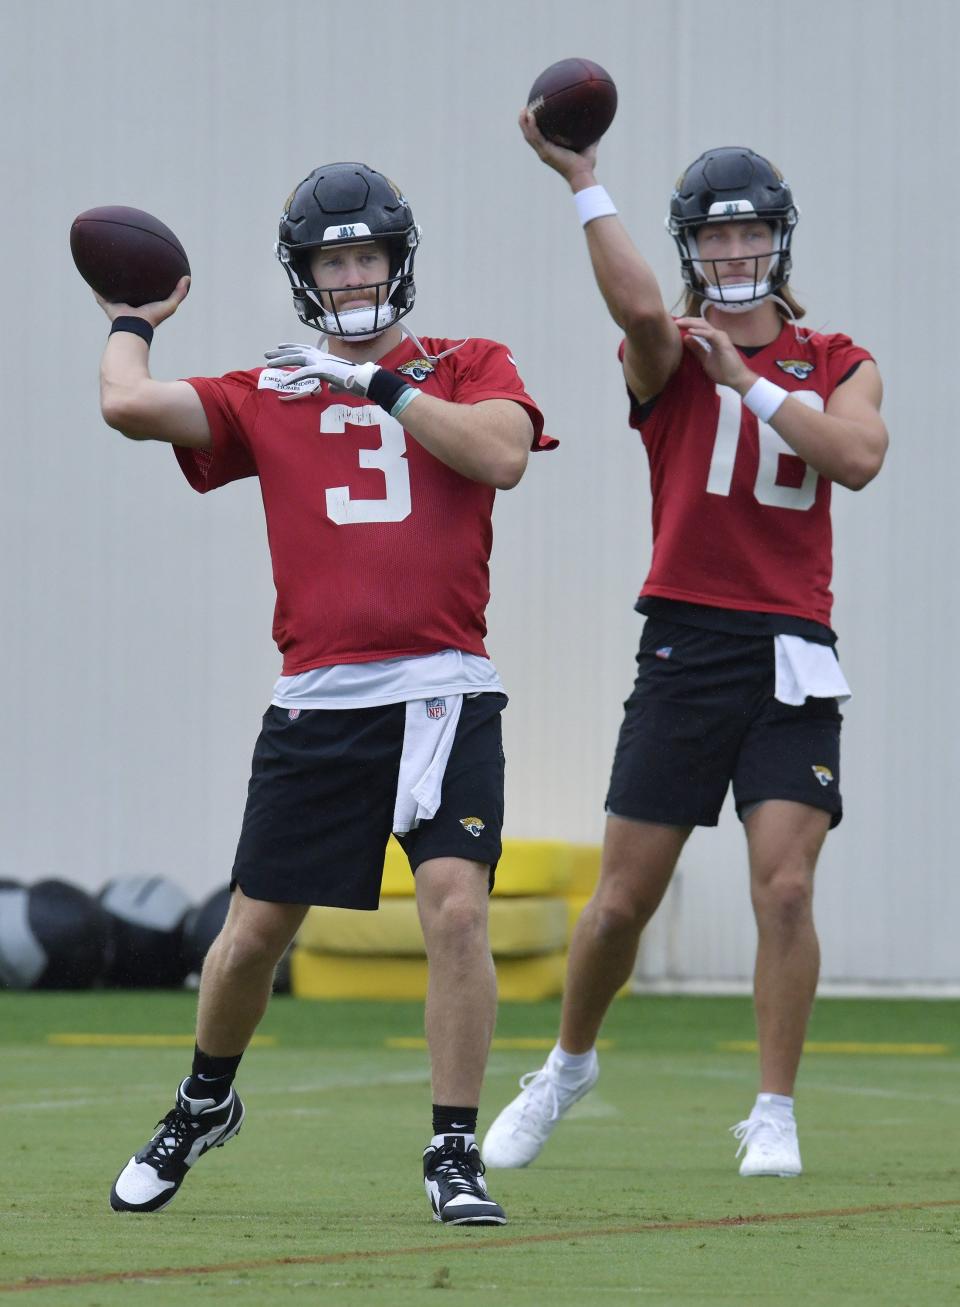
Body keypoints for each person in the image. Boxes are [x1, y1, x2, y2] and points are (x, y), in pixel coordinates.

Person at [98, 162, 552, 1225]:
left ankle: (452, 1147)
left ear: (399, 262)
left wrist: (382, 384)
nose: (353, 274)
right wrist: (130, 315)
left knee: (456, 908)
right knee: (254, 931)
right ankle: (202, 1099)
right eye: (332, 258)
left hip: (445, 692)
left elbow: (505, 454)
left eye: (367, 255)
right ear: (306, 276)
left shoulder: (464, 362)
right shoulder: (272, 388)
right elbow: (126, 404)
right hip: (320, 699)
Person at [482, 121, 887, 1179]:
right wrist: (584, 181)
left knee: (786, 889)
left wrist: (750, 383)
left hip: (793, 646)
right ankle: (568, 1064)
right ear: (691, 248)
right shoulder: (662, 348)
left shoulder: (836, 359)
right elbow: (633, 312)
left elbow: (856, 455)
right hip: (687, 640)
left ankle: (774, 1109)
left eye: (752, 233)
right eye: (718, 237)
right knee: (622, 899)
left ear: (780, 241)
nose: (737, 252)